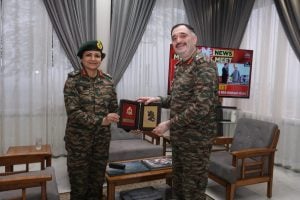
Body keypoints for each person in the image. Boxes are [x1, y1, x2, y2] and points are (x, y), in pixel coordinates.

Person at [138, 24, 219, 199]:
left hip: (196, 142)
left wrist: (168, 123)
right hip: (181, 138)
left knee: (193, 189)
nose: (178, 41)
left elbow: (201, 107)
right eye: (174, 38)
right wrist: (158, 99)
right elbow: (179, 100)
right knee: (179, 184)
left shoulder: (204, 65)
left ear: (194, 39)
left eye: (183, 36)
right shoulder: (181, 65)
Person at [64, 40, 119, 200]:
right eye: (89, 55)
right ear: (81, 58)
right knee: (79, 185)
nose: (93, 58)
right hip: (78, 142)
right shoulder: (73, 81)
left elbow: (113, 108)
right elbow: (73, 112)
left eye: (97, 55)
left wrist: (129, 122)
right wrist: (101, 120)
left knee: (97, 184)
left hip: (101, 141)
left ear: (101, 59)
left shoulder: (108, 81)